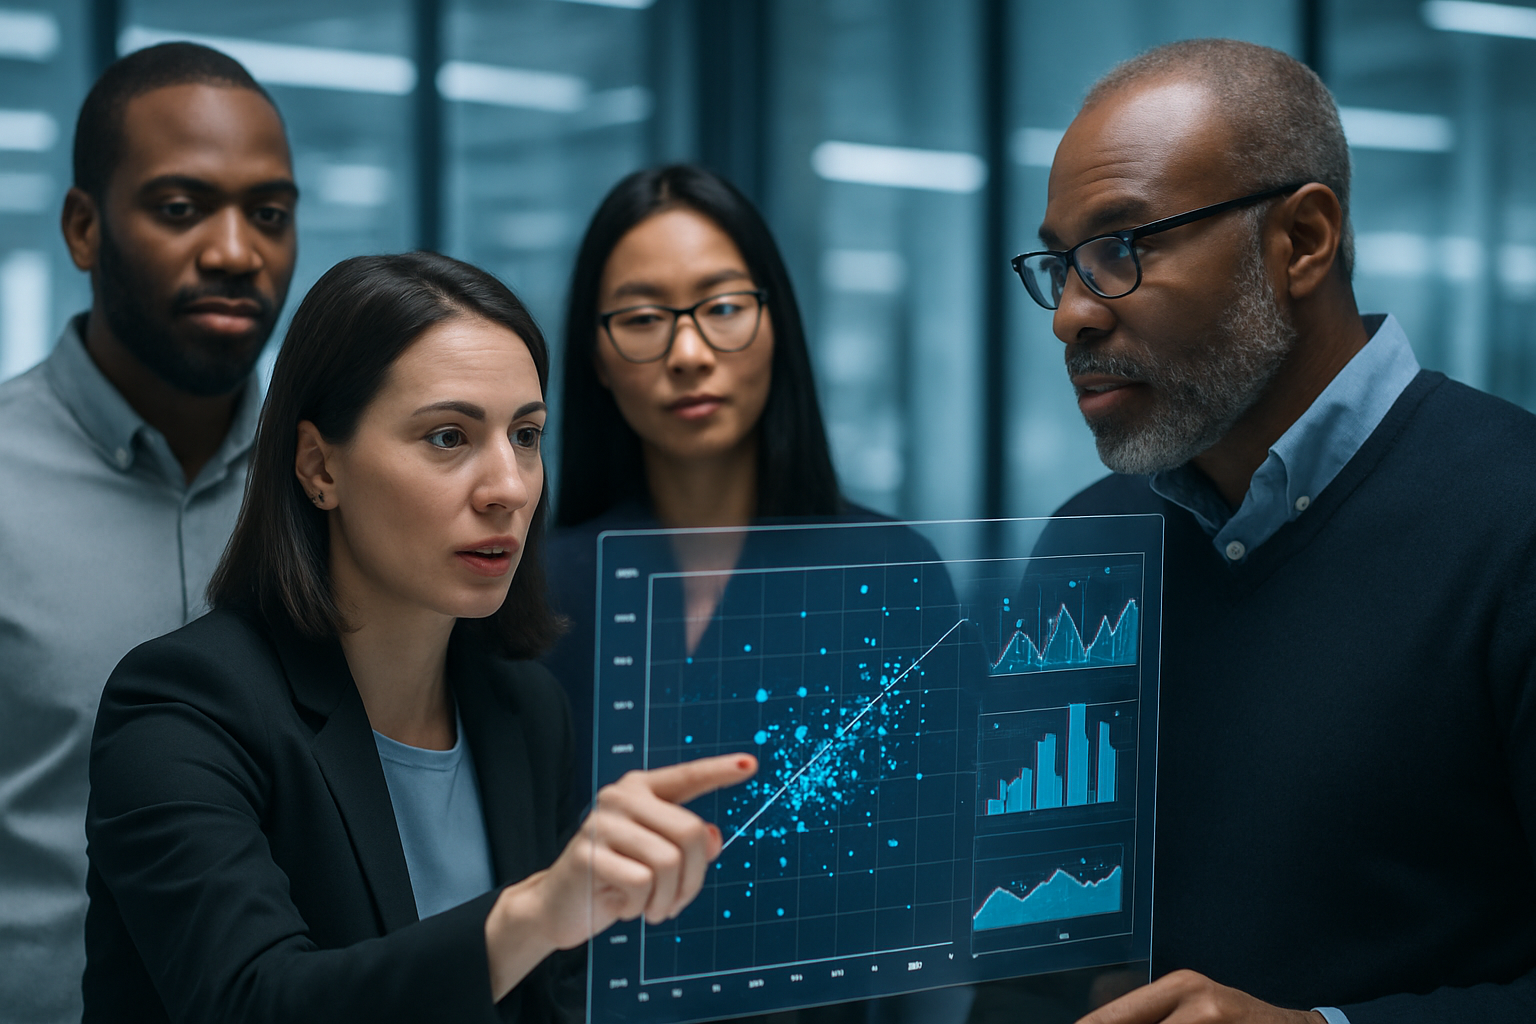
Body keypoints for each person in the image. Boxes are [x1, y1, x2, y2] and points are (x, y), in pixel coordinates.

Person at [992, 38, 1536, 1024]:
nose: (1070, 314)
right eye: (1062, 264)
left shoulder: (1516, 519)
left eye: (1121, 247)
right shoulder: (1085, 547)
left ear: (1301, 242)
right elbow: (1030, 959)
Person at [82, 251, 757, 1023]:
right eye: (447, 437)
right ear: (317, 467)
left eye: (526, 435)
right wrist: (534, 912)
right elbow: (254, 1003)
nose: (507, 486)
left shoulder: (525, 708)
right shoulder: (183, 707)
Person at [546, 165, 969, 1024]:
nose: (689, 353)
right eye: (641, 320)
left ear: (777, 323)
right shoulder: (539, 592)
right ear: (595, 354)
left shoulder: (890, 574)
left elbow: (943, 889)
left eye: (724, 308)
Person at [0, 42, 298, 1022]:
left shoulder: (336, 490)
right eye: (181, 209)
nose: (234, 252)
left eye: (270, 214)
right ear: (84, 228)